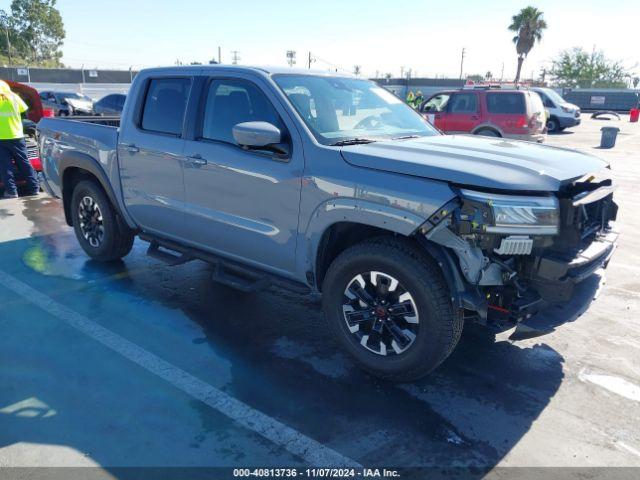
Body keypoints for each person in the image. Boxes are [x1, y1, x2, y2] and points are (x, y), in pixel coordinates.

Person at [0, 80, 39, 199]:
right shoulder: (14, 97)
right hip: (17, 135)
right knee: (24, 162)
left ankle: (12, 192)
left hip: (1, 138)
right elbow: (24, 113)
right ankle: (34, 188)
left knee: (5, 166)